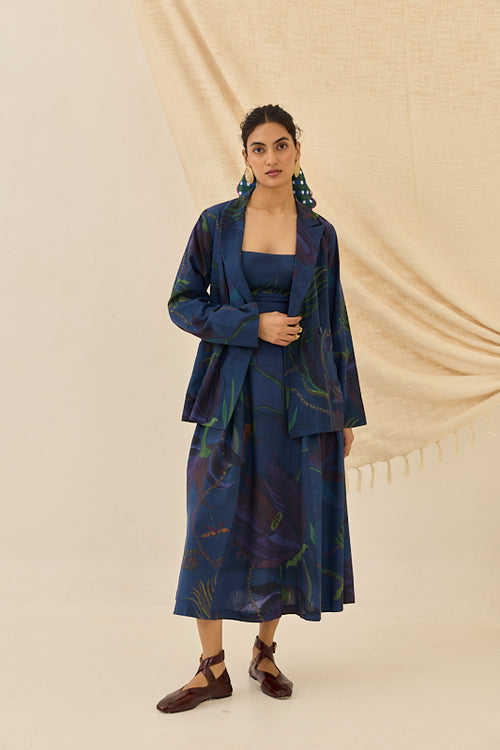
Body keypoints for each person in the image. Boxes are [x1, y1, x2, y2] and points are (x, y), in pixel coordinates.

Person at [156, 104, 366, 713]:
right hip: (229, 394)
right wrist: (253, 325)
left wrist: (346, 411)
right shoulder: (216, 224)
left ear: (296, 150)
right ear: (244, 157)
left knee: (283, 519)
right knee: (211, 517)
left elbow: (334, 323)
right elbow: (183, 303)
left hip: (303, 399)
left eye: (280, 145)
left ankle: (265, 652)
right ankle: (211, 668)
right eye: (258, 148)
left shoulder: (319, 233)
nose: (270, 158)